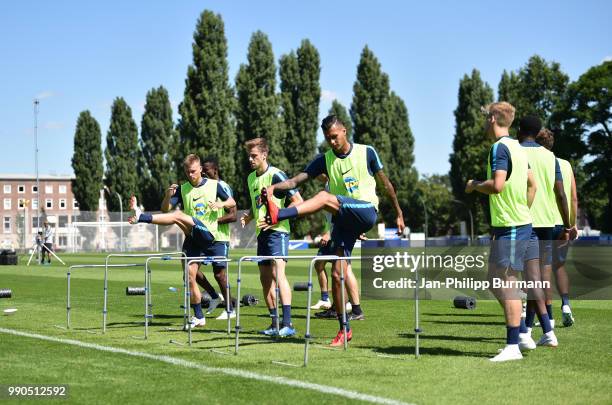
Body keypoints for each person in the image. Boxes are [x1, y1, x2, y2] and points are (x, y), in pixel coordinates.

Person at [258, 115, 404, 346]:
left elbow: (386, 184)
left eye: (335, 137)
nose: (332, 142)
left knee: (325, 197)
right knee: (337, 274)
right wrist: (273, 187)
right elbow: (296, 181)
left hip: (366, 210)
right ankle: (344, 328)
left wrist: (398, 212)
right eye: (328, 139)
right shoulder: (324, 159)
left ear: (345, 131)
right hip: (343, 221)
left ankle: (280, 214)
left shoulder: (367, 152)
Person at [465, 102, 539, 362]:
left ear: (494, 118)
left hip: (511, 225)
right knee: (494, 279)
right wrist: (522, 212)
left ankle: (513, 346)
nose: (485, 122)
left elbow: (497, 186)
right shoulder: (518, 147)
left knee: (507, 283)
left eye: (486, 117)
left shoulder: (499, 148)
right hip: (513, 223)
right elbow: (533, 186)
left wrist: (474, 185)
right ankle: (520, 334)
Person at [130, 153, 236, 329]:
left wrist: (221, 205)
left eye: (193, 171)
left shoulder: (214, 185)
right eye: (187, 172)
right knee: (188, 276)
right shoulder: (182, 188)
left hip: (208, 233)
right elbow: (166, 209)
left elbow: (232, 202)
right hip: (192, 236)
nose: (190, 175)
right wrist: (167, 195)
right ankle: (199, 316)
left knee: (179, 216)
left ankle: (142, 216)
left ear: (201, 169)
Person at [241, 138, 303, 337]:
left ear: (264, 155)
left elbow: (298, 202)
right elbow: (256, 203)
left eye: (254, 156)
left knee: (279, 274)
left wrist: (276, 219)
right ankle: (274, 323)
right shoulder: (251, 178)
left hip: (278, 232)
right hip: (262, 234)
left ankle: (288, 324)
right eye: (248, 156)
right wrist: (249, 215)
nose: (250, 160)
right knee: (265, 280)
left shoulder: (276, 175)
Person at [517, 116, 570, 340]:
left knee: (529, 279)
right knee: (540, 277)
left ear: (520, 130)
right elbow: (560, 193)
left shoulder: (515, 152)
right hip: (548, 222)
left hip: (524, 220)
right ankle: (536, 328)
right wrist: (568, 224)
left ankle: (532, 331)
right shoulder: (550, 156)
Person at [535, 128, 578, 326]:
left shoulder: (535, 162)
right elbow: (573, 198)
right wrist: (572, 224)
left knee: (542, 269)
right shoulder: (566, 165)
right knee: (559, 266)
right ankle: (566, 305)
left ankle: (547, 316)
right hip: (562, 222)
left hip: (542, 220)